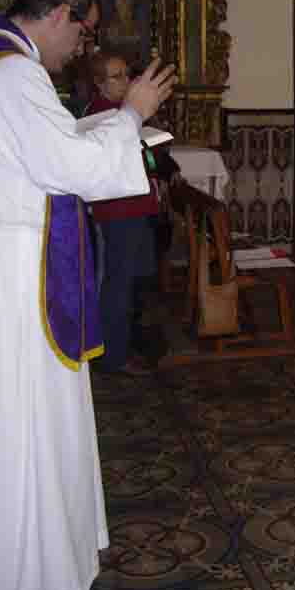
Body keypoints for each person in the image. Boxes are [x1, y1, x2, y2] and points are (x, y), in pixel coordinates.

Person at [0, 0, 176, 590]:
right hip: (20, 286)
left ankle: (30, 568)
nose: (85, 48)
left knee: (32, 429)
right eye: (85, 32)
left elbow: (49, 150)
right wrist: (132, 115)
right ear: (61, 13)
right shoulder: (14, 75)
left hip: (10, 264)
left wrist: (114, 131)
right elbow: (68, 167)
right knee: (30, 430)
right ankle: (31, 582)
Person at [85, 49, 180, 374]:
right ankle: (112, 355)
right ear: (99, 84)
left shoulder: (124, 112)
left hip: (137, 207)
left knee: (137, 280)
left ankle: (132, 343)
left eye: (128, 73)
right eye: (117, 76)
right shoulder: (101, 116)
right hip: (118, 211)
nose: (127, 81)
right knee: (118, 283)